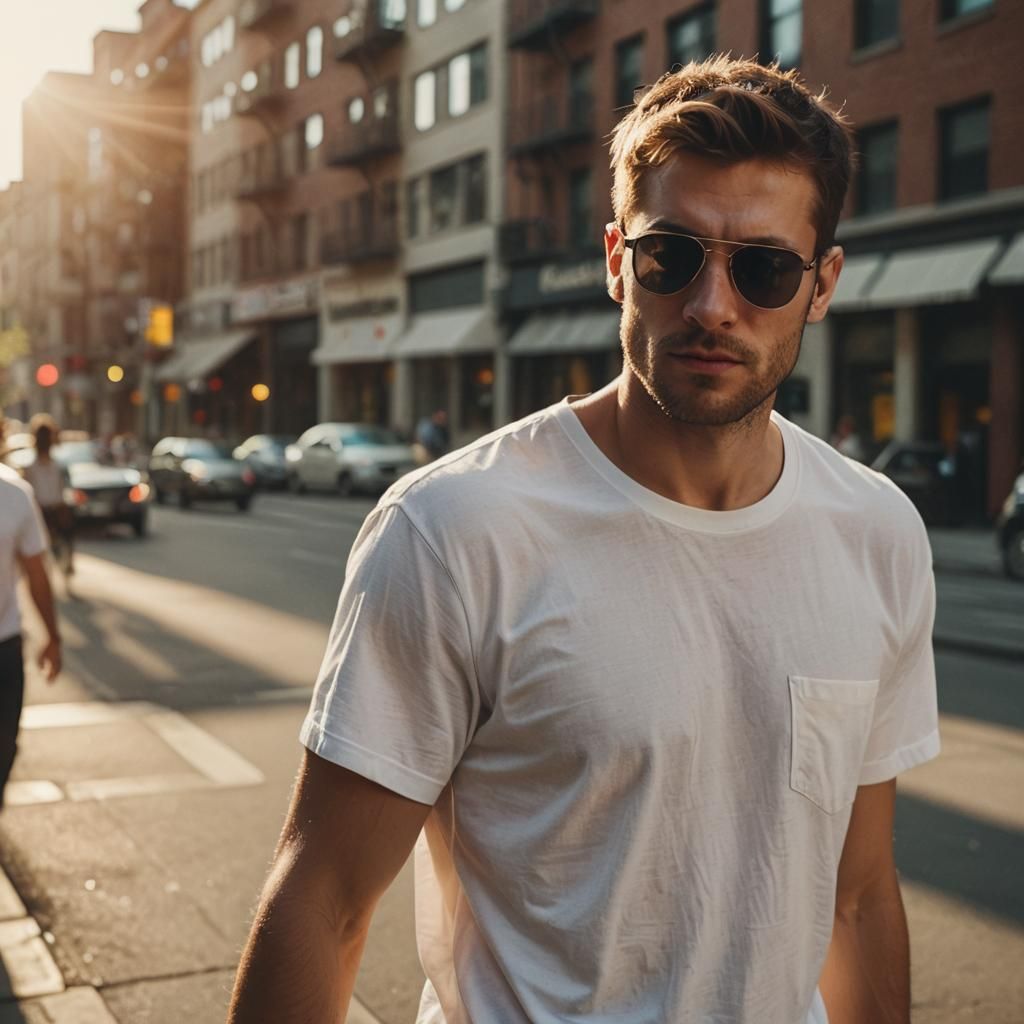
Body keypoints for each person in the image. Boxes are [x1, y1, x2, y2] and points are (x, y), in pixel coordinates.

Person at [229, 56, 939, 1024]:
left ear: (822, 286)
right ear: (616, 259)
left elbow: (856, 897)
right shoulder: (455, 528)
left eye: (764, 268)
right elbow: (324, 899)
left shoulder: (878, 531)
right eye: (671, 256)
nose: (711, 305)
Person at [0, 455, 61, 810]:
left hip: (4, 646)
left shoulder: (14, 494)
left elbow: (37, 572)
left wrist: (53, 636)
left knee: (4, 746)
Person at [21, 415, 75, 578]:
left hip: (56, 508)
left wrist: (62, 505)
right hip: (39, 510)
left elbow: (63, 489)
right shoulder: (30, 467)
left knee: (68, 532)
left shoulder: (57, 465)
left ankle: (67, 562)